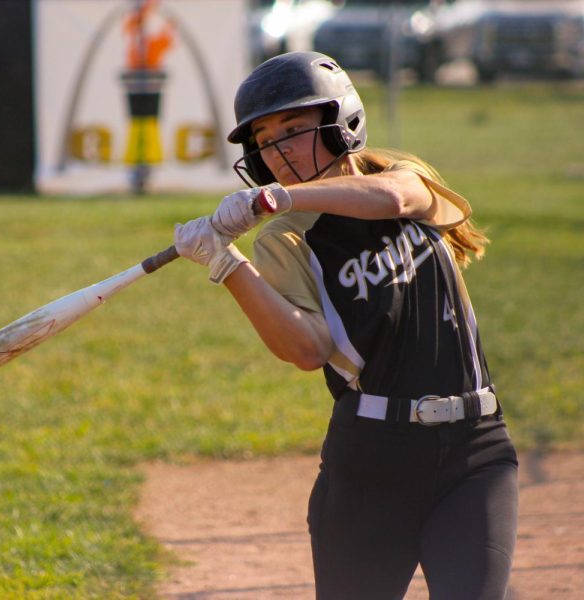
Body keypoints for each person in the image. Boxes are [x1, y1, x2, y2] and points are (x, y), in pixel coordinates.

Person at [173, 51, 519, 600]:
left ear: (342, 124)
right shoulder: (284, 237)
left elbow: (392, 200)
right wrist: (227, 265)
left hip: (474, 451)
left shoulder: (401, 178)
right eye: (263, 140)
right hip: (371, 462)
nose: (277, 151)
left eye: (293, 129)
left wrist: (272, 198)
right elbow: (308, 349)